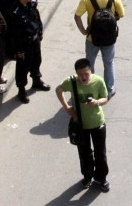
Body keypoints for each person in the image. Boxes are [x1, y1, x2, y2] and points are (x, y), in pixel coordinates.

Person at [56, 58, 110, 192]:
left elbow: (105, 98)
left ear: (90, 71)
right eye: (80, 75)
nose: (83, 77)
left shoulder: (98, 81)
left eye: (86, 74)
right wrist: (67, 107)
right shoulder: (71, 82)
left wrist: (97, 102)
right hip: (80, 125)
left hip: (97, 123)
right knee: (84, 153)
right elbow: (58, 90)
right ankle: (87, 176)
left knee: (100, 153)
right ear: (76, 73)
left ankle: (101, 178)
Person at [74, 0, 125, 97]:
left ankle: (91, 89)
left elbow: (77, 16)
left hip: (92, 38)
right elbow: (121, 14)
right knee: (109, 63)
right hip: (109, 38)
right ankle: (109, 89)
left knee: (89, 64)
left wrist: (84, 31)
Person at [8, 0, 50, 103]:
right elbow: (13, 34)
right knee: (22, 67)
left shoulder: (30, 5)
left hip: (35, 40)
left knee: (37, 60)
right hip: (24, 44)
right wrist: (18, 50)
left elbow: (37, 19)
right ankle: (21, 89)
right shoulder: (15, 12)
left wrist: (40, 32)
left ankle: (36, 80)